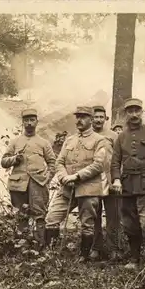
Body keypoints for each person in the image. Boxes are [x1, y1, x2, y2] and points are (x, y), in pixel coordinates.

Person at [110, 98, 145, 270]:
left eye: (137, 111)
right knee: (130, 224)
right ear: (125, 113)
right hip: (128, 187)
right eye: (130, 111)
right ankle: (134, 261)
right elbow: (115, 162)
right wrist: (117, 179)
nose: (134, 114)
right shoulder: (121, 137)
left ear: (141, 112)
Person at [45, 106, 107, 262]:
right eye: (78, 116)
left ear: (92, 120)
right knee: (52, 217)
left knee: (87, 224)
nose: (79, 120)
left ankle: (83, 257)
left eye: (84, 117)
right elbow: (59, 161)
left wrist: (76, 177)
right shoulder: (70, 140)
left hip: (88, 189)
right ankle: (50, 254)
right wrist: (64, 176)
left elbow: (98, 165)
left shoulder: (100, 140)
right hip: (67, 188)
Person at [1, 108, 56, 247]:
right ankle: (22, 246)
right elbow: (3, 161)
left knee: (40, 215)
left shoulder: (44, 143)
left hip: (38, 184)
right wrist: (14, 159)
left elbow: (52, 163)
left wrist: (47, 179)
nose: (29, 123)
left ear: (37, 122)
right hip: (18, 185)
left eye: (32, 120)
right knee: (21, 215)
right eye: (26, 120)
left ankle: (40, 245)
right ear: (22, 122)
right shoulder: (15, 142)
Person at [89, 105, 121, 262]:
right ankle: (96, 247)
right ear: (91, 118)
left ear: (106, 119)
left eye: (102, 117)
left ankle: (113, 248)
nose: (98, 120)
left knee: (113, 216)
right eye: (96, 117)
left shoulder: (113, 136)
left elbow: (118, 159)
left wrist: (117, 179)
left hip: (110, 180)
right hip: (92, 181)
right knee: (94, 216)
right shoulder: (86, 135)